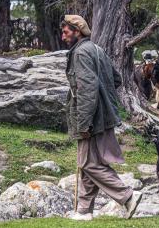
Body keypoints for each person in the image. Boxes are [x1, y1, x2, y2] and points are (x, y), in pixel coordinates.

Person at [61, 15, 142, 220]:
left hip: (92, 118)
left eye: (66, 31)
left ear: (77, 31)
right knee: (89, 163)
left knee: (88, 164)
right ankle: (84, 211)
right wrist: (104, 99)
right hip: (103, 115)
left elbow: (87, 89)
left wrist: (84, 122)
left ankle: (127, 196)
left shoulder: (79, 53)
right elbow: (116, 79)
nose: (63, 36)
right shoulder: (97, 49)